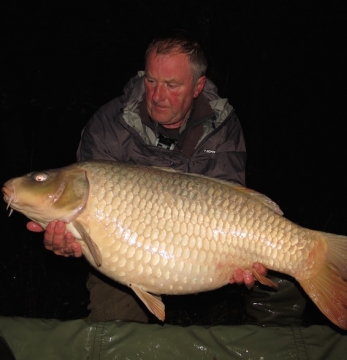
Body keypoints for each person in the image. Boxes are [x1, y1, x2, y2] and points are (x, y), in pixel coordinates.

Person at [27, 30, 304, 325]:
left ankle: (275, 344)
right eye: (151, 81)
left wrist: (242, 260)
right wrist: (72, 244)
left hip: (207, 243)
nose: (157, 96)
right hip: (125, 254)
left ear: (197, 86)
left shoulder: (222, 123)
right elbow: (93, 232)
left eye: (172, 85)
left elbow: (231, 194)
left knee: (285, 279)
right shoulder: (109, 124)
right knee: (115, 322)